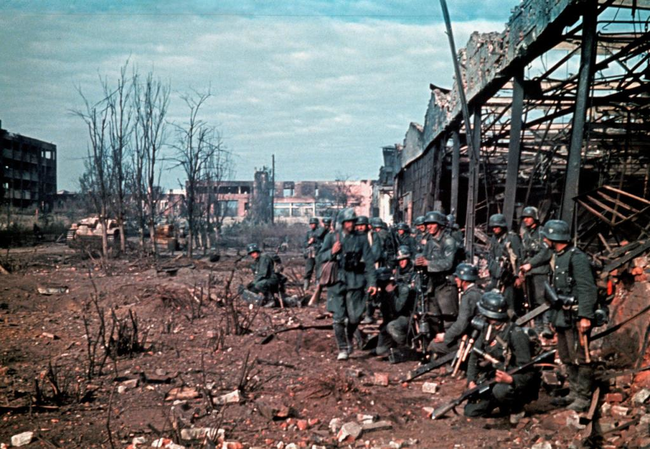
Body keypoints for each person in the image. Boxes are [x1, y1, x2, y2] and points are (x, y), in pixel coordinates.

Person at [542, 219, 597, 412]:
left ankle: (583, 397)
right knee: (566, 355)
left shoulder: (576, 257)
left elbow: (586, 288)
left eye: (547, 236)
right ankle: (574, 392)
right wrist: (551, 319)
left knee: (581, 356)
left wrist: (586, 316)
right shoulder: (558, 256)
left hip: (576, 317)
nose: (545, 240)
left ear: (554, 237)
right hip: (562, 317)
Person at [464, 291, 539, 420]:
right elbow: (474, 356)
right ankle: (499, 403)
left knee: (501, 391)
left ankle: (516, 408)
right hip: (493, 380)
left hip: (513, 384)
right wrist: (471, 382)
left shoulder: (516, 334)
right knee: (471, 411)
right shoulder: (487, 329)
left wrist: (511, 380)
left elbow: (528, 372)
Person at [318, 208, 377, 361]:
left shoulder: (361, 238)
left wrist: (372, 282)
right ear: (342, 223)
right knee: (338, 318)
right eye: (348, 222)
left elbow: (369, 261)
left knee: (355, 317)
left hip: (356, 280)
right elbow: (320, 257)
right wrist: (332, 251)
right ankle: (343, 348)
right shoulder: (332, 237)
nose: (351, 224)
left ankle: (349, 336)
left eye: (352, 221)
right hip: (337, 281)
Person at [415, 211, 459, 335]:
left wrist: (428, 263)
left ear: (440, 225)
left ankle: (450, 348)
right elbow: (424, 258)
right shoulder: (430, 242)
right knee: (433, 317)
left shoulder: (449, 241)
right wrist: (418, 262)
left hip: (446, 284)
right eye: (427, 224)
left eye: (432, 223)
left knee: (448, 318)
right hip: (432, 284)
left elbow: (448, 263)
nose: (429, 226)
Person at [428, 263, 482, 357]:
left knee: (434, 345)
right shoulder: (477, 292)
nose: (455, 279)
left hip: (471, 340)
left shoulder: (468, 296)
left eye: (458, 277)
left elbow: (462, 323)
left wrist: (445, 337)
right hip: (476, 336)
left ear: (464, 280)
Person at [518, 207, 553, 338]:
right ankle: (537, 327)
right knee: (531, 301)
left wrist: (531, 264)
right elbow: (523, 252)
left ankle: (546, 326)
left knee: (542, 299)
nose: (526, 220)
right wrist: (521, 269)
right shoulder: (526, 234)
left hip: (540, 271)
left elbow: (545, 253)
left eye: (528, 217)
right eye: (524, 218)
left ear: (535, 218)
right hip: (529, 272)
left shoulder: (542, 232)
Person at [375, 245, 417, 355]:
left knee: (392, 326)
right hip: (395, 316)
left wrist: (391, 292)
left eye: (403, 259)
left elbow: (398, 307)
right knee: (380, 350)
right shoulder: (397, 274)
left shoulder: (414, 275)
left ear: (408, 259)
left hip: (408, 315)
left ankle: (406, 347)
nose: (401, 262)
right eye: (399, 260)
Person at [486, 213, 523, 315]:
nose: (494, 229)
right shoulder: (494, 238)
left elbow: (518, 258)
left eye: (497, 226)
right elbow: (491, 255)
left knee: (508, 302)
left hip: (508, 276)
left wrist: (517, 276)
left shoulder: (512, 238)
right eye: (493, 227)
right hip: (496, 273)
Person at [303, 217, 324, 291]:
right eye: (311, 224)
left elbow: (324, 243)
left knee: (319, 271)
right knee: (308, 270)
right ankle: (306, 287)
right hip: (310, 253)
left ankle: (318, 288)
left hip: (318, 253)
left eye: (313, 224)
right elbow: (304, 244)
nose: (312, 225)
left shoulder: (321, 232)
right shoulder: (308, 233)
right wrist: (309, 242)